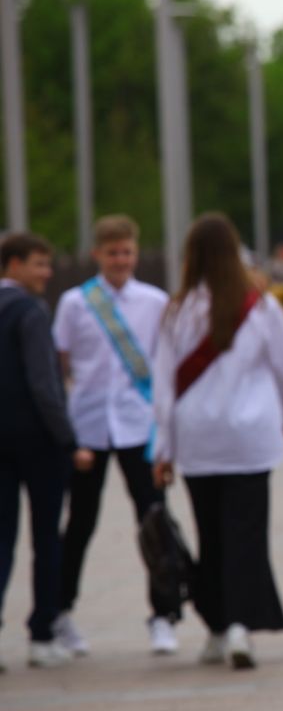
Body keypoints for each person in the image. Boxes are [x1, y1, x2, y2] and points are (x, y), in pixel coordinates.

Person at [150, 213, 283, 670]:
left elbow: (162, 387)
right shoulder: (260, 305)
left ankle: (216, 628)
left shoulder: (177, 311)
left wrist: (164, 449)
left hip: (198, 438)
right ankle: (239, 626)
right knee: (246, 533)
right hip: (250, 437)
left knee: (210, 532)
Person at [51, 214, 175, 656]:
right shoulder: (74, 303)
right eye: (112, 253)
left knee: (153, 519)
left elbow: (164, 365)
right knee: (80, 521)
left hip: (139, 426)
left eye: (127, 252)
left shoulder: (155, 301)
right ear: (97, 255)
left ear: (135, 253)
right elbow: (60, 362)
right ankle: (60, 611)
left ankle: (163, 614)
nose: (121, 260)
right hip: (88, 427)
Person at [0, 233, 77, 669]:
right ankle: (42, 633)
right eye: (38, 264)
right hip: (38, 442)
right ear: (12, 265)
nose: (46, 273)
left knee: (2, 540)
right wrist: (67, 438)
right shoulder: (29, 311)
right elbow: (44, 384)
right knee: (46, 539)